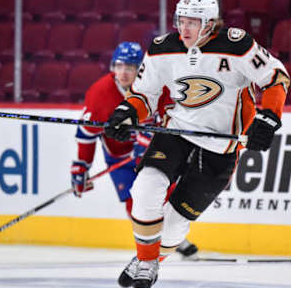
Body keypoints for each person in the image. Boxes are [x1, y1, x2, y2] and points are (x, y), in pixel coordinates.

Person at [105, 0, 290, 288]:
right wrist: (127, 112)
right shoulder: (163, 49)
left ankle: (148, 258)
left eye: (194, 22)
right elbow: (144, 96)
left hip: (221, 146)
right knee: (145, 188)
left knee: (176, 222)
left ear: (210, 23)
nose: (185, 28)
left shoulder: (237, 45)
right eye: (182, 21)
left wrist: (268, 118)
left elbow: (277, 77)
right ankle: (147, 261)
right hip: (177, 131)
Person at [70, 41, 199, 259]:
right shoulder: (100, 93)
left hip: (152, 153)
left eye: (130, 67)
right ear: (113, 67)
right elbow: (87, 134)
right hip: (118, 156)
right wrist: (81, 166)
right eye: (119, 66)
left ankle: (172, 239)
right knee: (134, 203)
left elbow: (172, 118)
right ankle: (150, 245)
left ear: (140, 69)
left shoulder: (157, 87)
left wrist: (152, 138)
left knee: (167, 195)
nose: (124, 72)